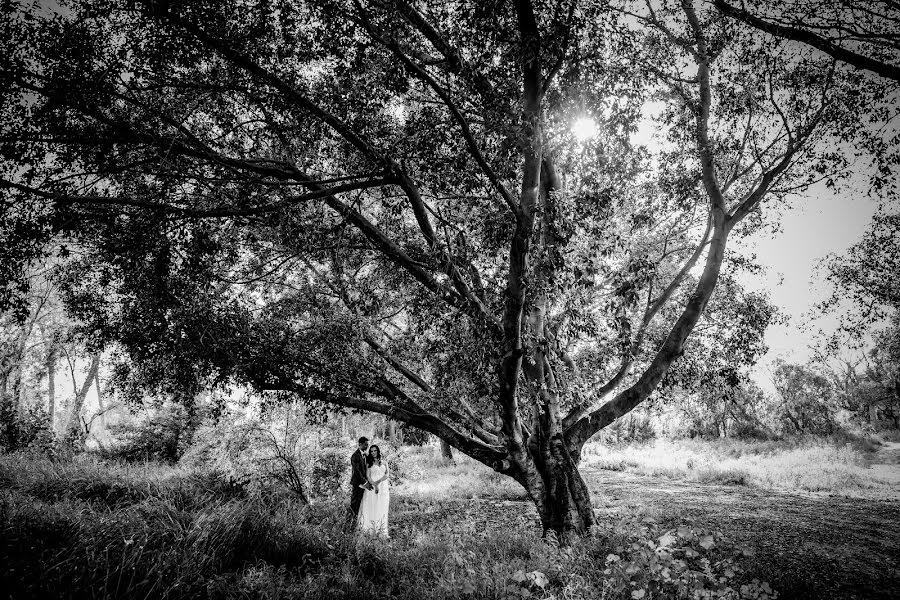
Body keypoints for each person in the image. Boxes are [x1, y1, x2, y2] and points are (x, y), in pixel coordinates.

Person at [357, 444, 390, 537]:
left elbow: (387, 475)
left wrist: (378, 482)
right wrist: (374, 485)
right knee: (372, 505)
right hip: (372, 486)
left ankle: (381, 529)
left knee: (382, 506)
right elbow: (368, 476)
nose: (373, 453)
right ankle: (370, 529)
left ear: (378, 451)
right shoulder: (369, 463)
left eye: (375, 450)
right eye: (371, 451)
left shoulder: (384, 462)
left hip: (383, 487)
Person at [348, 436, 372, 529]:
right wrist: (365, 483)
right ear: (360, 444)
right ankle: (349, 524)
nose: (367, 446)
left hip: (364, 484)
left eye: (367, 445)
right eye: (366, 444)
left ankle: (358, 523)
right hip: (357, 484)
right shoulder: (355, 455)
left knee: (361, 504)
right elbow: (357, 472)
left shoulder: (365, 455)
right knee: (354, 504)